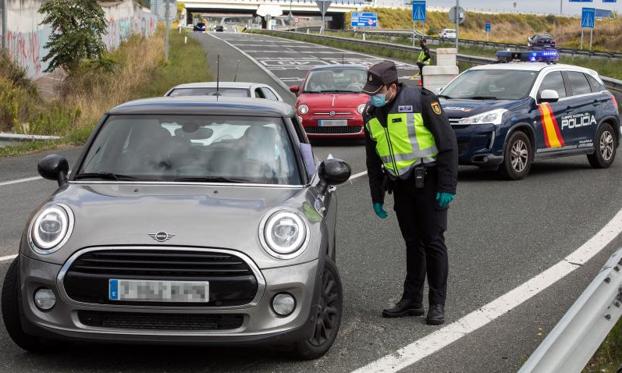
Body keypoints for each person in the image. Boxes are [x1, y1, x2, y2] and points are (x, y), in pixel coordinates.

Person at [362, 61, 458, 325]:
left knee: (433, 242)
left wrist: (447, 186)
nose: (373, 96)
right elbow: (373, 160)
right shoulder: (371, 113)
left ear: (392, 87)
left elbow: (448, 144)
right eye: (370, 91)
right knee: (412, 244)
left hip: (429, 184)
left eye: (377, 90)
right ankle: (412, 301)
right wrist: (376, 196)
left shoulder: (422, 101)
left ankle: (436, 304)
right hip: (401, 186)